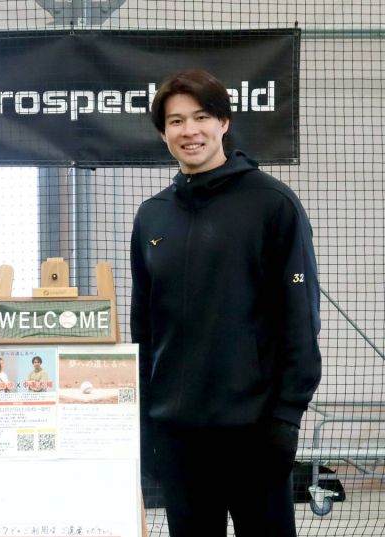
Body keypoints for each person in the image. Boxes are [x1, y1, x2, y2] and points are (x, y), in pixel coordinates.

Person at [130, 69, 322, 537]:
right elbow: (145, 330)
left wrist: (286, 418)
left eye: (201, 117)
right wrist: (146, 426)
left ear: (223, 123)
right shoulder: (152, 216)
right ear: (163, 133)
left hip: (255, 434)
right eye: (176, 121)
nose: (189, 130)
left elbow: (300, 320)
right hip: (177, 438)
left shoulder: (272, 204)